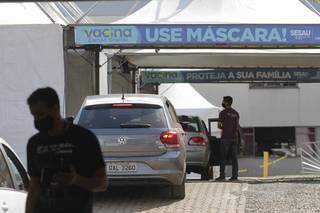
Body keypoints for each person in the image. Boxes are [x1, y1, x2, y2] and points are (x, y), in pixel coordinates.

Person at [25, 87, 107, 213]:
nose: (36, 120)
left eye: (40, 114)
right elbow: (34, 187)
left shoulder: (84, 139)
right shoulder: (34, 143)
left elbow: (102, 183)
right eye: (33, 115)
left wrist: (76, 180)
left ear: (55, 108)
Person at [216, 96, 240, 181]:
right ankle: (235, 176)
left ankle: (222, 176)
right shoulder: (236, 113)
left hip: (225, 137)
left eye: (223, 101)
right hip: (234, 137)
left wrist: (224, 127)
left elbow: (219, 125)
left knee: (223, 157)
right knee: (234, 158)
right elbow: (237, 126)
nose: (222, 102)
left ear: (226, 102)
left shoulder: (222, 113)